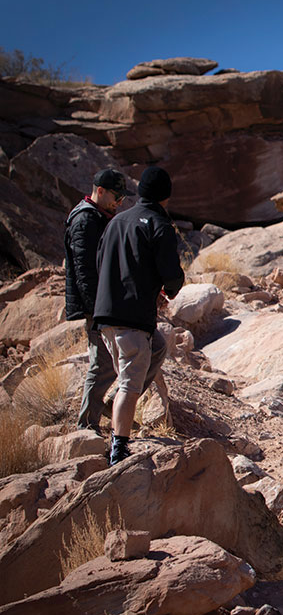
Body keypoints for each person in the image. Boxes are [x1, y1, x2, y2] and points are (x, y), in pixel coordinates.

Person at [64, 169, 168, 433]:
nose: (120, 202)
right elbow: (84, 272)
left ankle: (121, 403)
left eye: (123, 198)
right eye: (116, 196)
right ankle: (86, 426)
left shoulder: (104, 217)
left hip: (116, 304)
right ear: (100, 191)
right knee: (101, 366)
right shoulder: (85, 221)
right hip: (100, 307)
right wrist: (96, 311)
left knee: (155, 348)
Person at [93, 166, 184, 464]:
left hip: (106, 315)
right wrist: (167, 291)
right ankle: (118, 450)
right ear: (166, 197)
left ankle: (115, 402)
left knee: (158, 347)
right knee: (130, 386)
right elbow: (172, 277)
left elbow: (100, 261)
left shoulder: (117, 221)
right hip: (132, 320)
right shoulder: (158, 224)